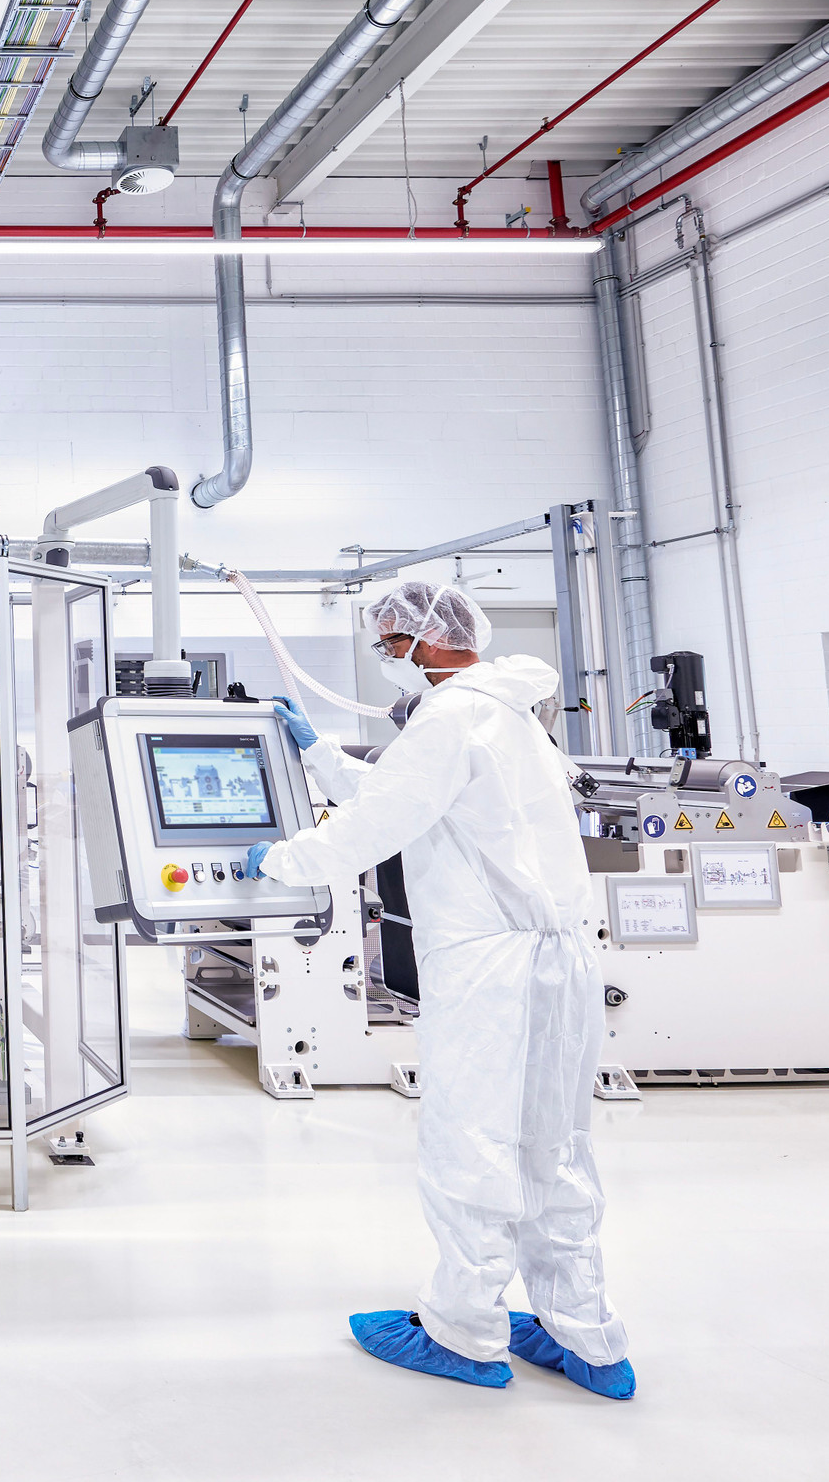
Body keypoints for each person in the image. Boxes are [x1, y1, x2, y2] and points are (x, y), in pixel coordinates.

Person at [243, 579, 635, 1400]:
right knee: (556, 1146)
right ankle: (587, 1336)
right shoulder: (510, 714)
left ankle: (463, 1330)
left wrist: (278, 859)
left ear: (421, 641)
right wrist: (321, 754)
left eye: (389, 643)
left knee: (473, 1143)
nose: (385, 657)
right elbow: (411, 801)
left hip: (491, 968)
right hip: (564, 958)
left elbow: (368, 828)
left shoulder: (450, 719)